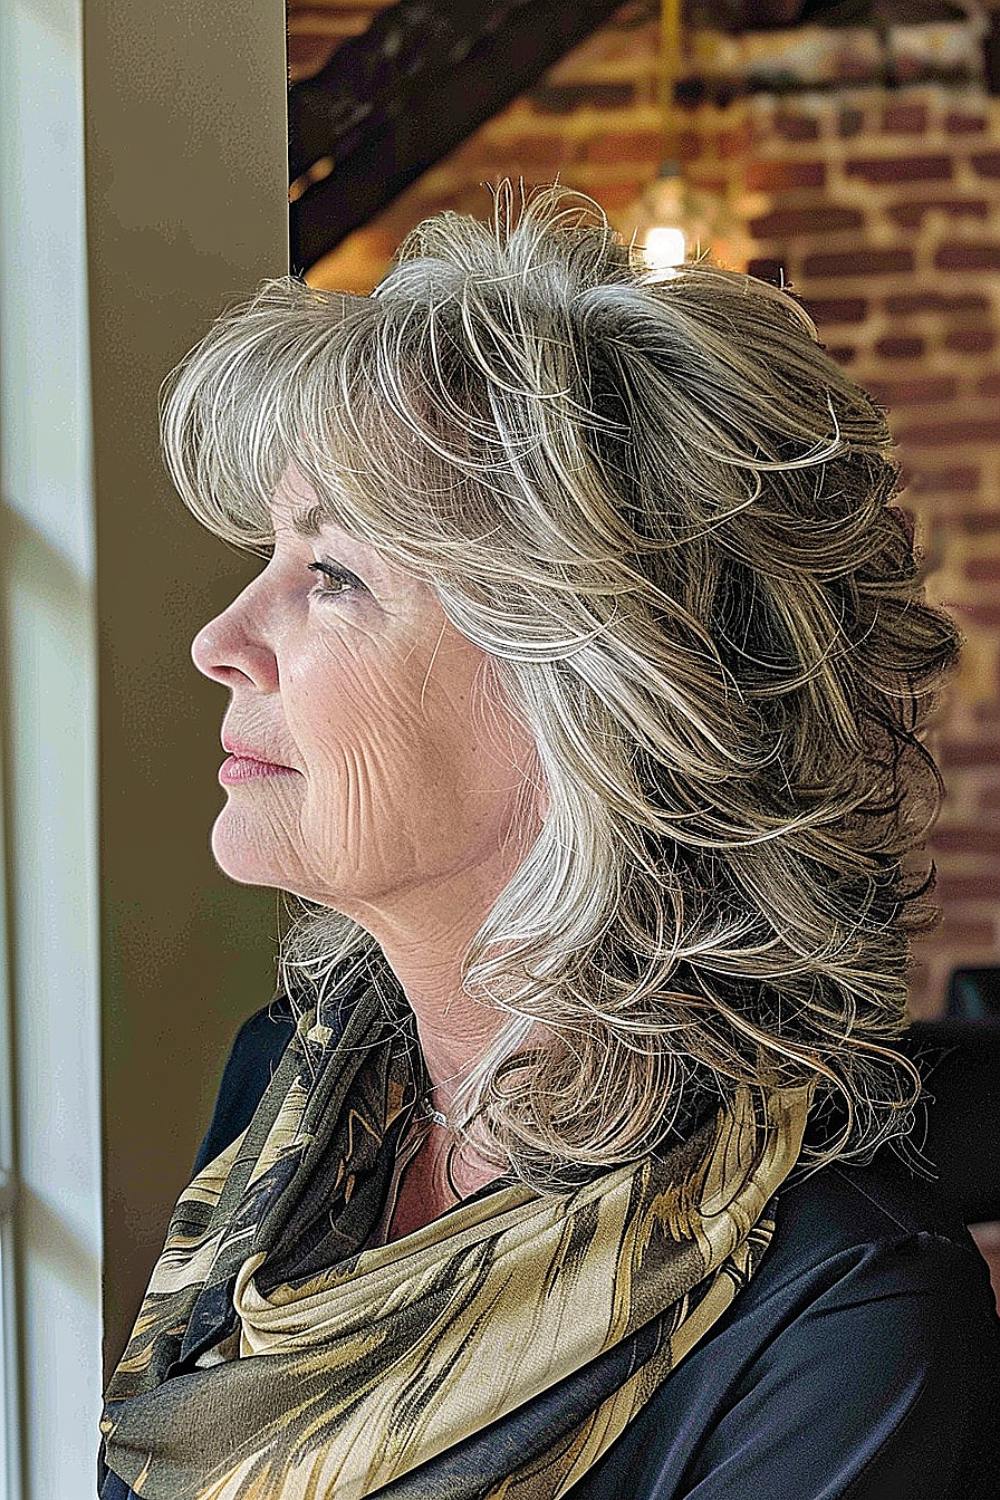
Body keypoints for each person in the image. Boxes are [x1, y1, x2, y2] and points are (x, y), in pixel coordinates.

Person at [98, 180, 1000, 1499]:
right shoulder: (295, 1094)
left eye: (330, 575)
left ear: (587, 695)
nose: (220, 643)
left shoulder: (838, 1322)